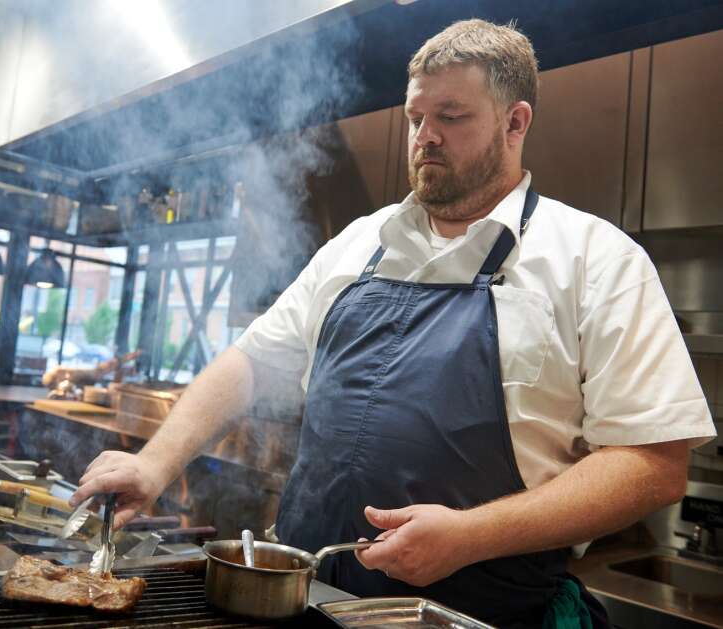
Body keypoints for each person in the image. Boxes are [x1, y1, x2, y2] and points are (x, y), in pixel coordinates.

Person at [71, 19, 716, 627]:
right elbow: (253, 361)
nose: (424, 136)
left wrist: (471, 537)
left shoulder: (596, 261)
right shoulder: (358, 244)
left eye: (451, 117)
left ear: (516, 122)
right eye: (415, 117)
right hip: (307, 602)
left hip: (481, 613)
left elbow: (652, 461)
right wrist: (154, 465)